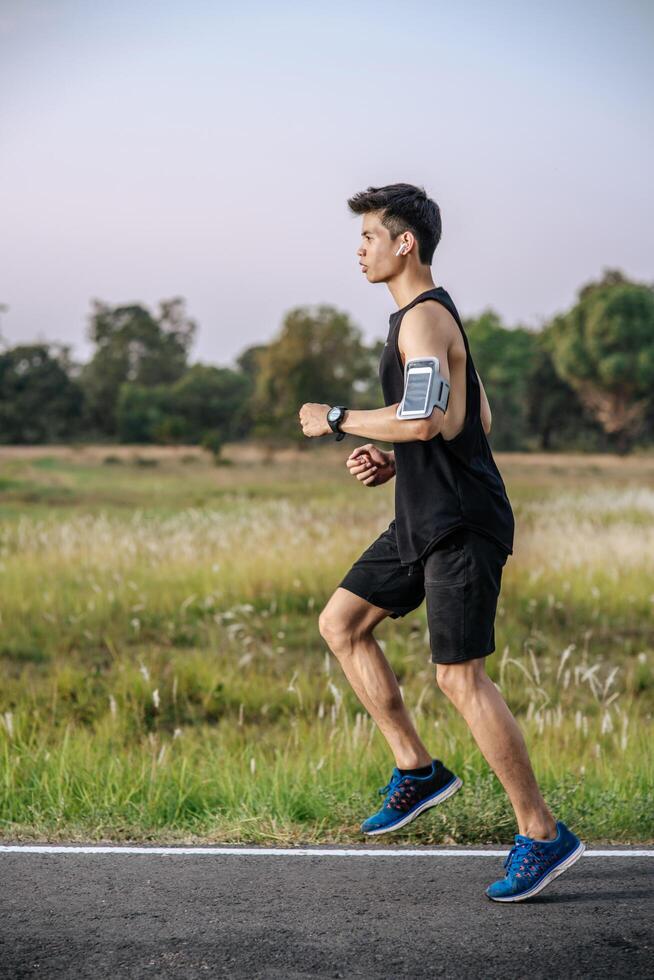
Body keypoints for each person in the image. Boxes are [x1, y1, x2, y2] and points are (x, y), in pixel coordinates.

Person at [298, 183, 584, 902]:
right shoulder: (423, 320)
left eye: (369, 236)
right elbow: (470, 418)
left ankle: (543, 834)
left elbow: (428, 420)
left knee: (460, 677)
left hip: (459, 524)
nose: (358, 249)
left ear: (406, 244)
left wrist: (338, 417)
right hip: (422, 514)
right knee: (342, 623)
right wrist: (399, 459)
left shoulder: (423, 321)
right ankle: (418, 770)